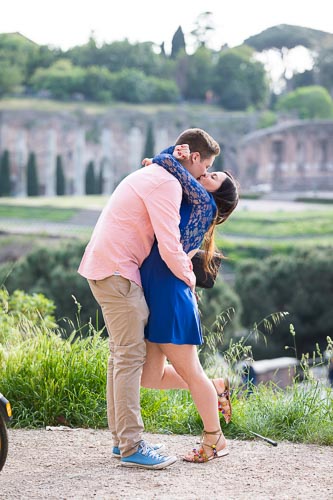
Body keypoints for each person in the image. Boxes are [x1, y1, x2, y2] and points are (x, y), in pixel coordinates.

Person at [78, 128, 218, 469]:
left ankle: (121, 441)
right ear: (194, 157)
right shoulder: (167, 184)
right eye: (206, 167)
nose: (202, 176)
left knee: (120, 357)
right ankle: (131, 445)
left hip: (106, 267)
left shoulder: (155, 172)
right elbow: (170, 245)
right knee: (128, 358)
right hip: (118, 273)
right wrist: (189, 281)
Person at [139, 133, 239, 463]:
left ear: (215, 192)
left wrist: (170, 154)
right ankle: (216, 385)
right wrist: (171, 157)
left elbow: (170, 165)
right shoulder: (191, 197)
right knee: (149, 377)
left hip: (169, 294)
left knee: (192, 374)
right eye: (208, 169)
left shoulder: (203, 202)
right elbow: (172, 169)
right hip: (159, 290)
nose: (206, 173)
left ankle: (215, 439)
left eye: (212, 174)